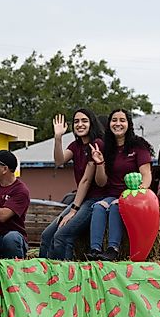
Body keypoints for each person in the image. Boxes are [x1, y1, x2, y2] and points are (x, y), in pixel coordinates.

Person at [89, 109, 154, 261]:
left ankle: (113, 249)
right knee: (99, 206)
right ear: (109, 124)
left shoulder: (138, 146)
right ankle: (95, 249)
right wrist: (99, 163)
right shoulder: (106, 148)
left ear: (128, 124)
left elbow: (146, 175)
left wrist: (138, 192)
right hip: (111, 194)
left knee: (116, 206)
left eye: (122, 120)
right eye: (114, 120)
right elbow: (101, 182)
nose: (118, 123)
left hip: (132, 195)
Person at [39, 109, 105, 260]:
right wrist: (57, 138)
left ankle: (66, 276)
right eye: (76, 121)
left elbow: (86, 180)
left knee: (62, 235)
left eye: (84, 121)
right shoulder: (75, 146)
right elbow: (59, 161)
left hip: (94, 200)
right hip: (81, 200)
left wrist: (73, 210)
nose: (80, 124)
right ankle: (42, 274)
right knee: (46, 236)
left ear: (91, 123)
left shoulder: (97, 144)